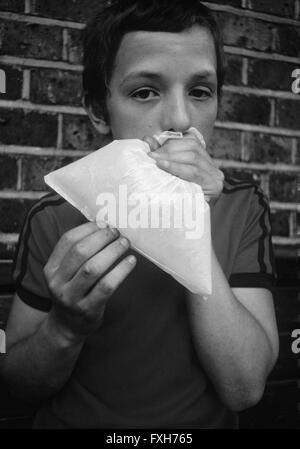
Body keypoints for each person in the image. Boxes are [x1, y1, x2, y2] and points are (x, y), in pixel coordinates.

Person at [1, 0, 279, 429]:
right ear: (98, 110)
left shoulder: (241, 205)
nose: (181, 120)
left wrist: (189, 221)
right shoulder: (56, 214)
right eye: (145, 91)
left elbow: (243, 388)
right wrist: (65, 328)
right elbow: (19, 383)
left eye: (200, 92)